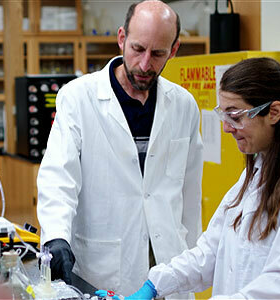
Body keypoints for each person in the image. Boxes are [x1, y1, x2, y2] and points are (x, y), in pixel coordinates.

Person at [119, 57, 280, 299]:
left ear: (274, 112)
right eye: (223, 115)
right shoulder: (257, 171)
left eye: (235, 116)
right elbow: (211, 251)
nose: (226, 128)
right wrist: (155, 285)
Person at [36, 0, 203, 296]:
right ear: (122, 38)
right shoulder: (78, 97)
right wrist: (56, 236)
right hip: (105, 266)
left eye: (158, 54)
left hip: (168, 261)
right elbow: (59, 177)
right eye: (138, 49)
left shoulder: (184, 105)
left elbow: (190, 196)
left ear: (174, 50)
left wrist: (194, 264)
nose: (144, 64)